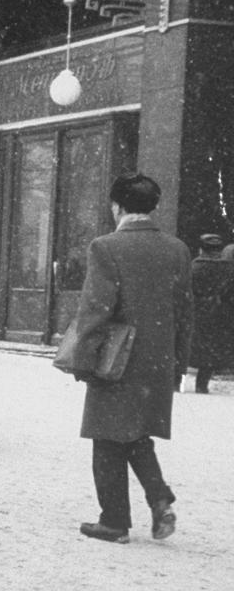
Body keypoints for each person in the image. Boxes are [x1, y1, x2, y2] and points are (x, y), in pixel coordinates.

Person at [63, 173, 192, 544]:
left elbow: (95, 310)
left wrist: (82, 359)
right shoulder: (178, 249)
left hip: (115, 359)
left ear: (117, 206)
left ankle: (115, 521)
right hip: (157, 360)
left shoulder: (106, 247)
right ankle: (159, 497)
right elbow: (185, 312)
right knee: (134, 432)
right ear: (154, 206)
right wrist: (177, 363)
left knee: (106, 438)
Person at [189, 233, 234, 393]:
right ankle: (202, 385)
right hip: (219, 313)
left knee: (188, 347)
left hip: (196, 312)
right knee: (210, 351)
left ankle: (176, 383)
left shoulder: (194, 267)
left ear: (201, 249)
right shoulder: (228, 269)